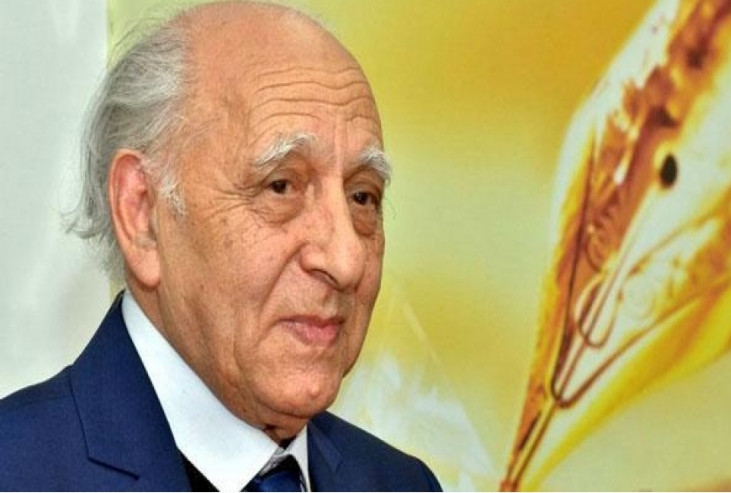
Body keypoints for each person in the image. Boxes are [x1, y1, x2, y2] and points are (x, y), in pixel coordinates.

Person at [0, 2, 442, 491]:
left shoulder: (401, 483)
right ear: (142, 214)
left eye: (362, 197)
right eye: (281, 186)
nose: (346, 260)